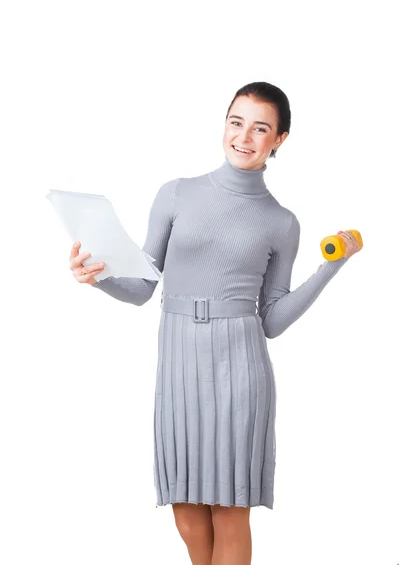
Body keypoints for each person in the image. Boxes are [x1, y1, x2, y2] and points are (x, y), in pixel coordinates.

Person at [69, 81, 361, 565]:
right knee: (185, 513)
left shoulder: (281, 222)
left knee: (228, 513)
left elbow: (272, 319)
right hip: (179, 360)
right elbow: (143, 287)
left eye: (260, 127)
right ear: (224, 124)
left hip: (240, 365)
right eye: (236, 122)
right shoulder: (176, 193)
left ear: (279, 140)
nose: (244, 136)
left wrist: (331, 267)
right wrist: (97, 279)